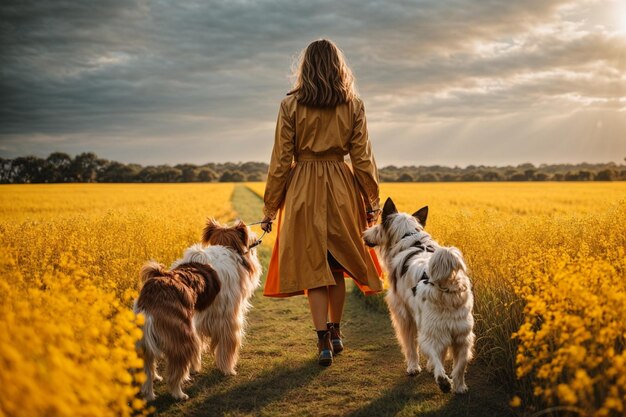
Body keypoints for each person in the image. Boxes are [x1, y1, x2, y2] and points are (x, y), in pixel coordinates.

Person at [260, 39, 383, 366]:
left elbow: (280, 161)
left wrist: (270, 208)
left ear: (305, 68)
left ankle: (323, 342)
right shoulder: (353, 104)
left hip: (303, 189)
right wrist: (372, 202)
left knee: (314, 266)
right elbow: (363, 160)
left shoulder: (290, 105)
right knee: (336, 265)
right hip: (342, 189)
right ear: (338, 66)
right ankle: (337, 331)